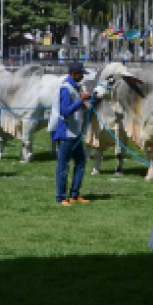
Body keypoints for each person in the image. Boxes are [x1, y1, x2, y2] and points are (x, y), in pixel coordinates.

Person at [50, 62, 92, 205]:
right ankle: (61, 198)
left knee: (81, 162)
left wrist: (85, 103)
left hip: (75, 133)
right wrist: (81, 101)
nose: (82, 77)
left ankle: (74, 195)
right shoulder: (66, 88)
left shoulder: (75, 87)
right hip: (65, 134)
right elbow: (65, 111)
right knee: (63, 167)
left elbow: (76, 108)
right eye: (81, 74)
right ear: (74, 74)